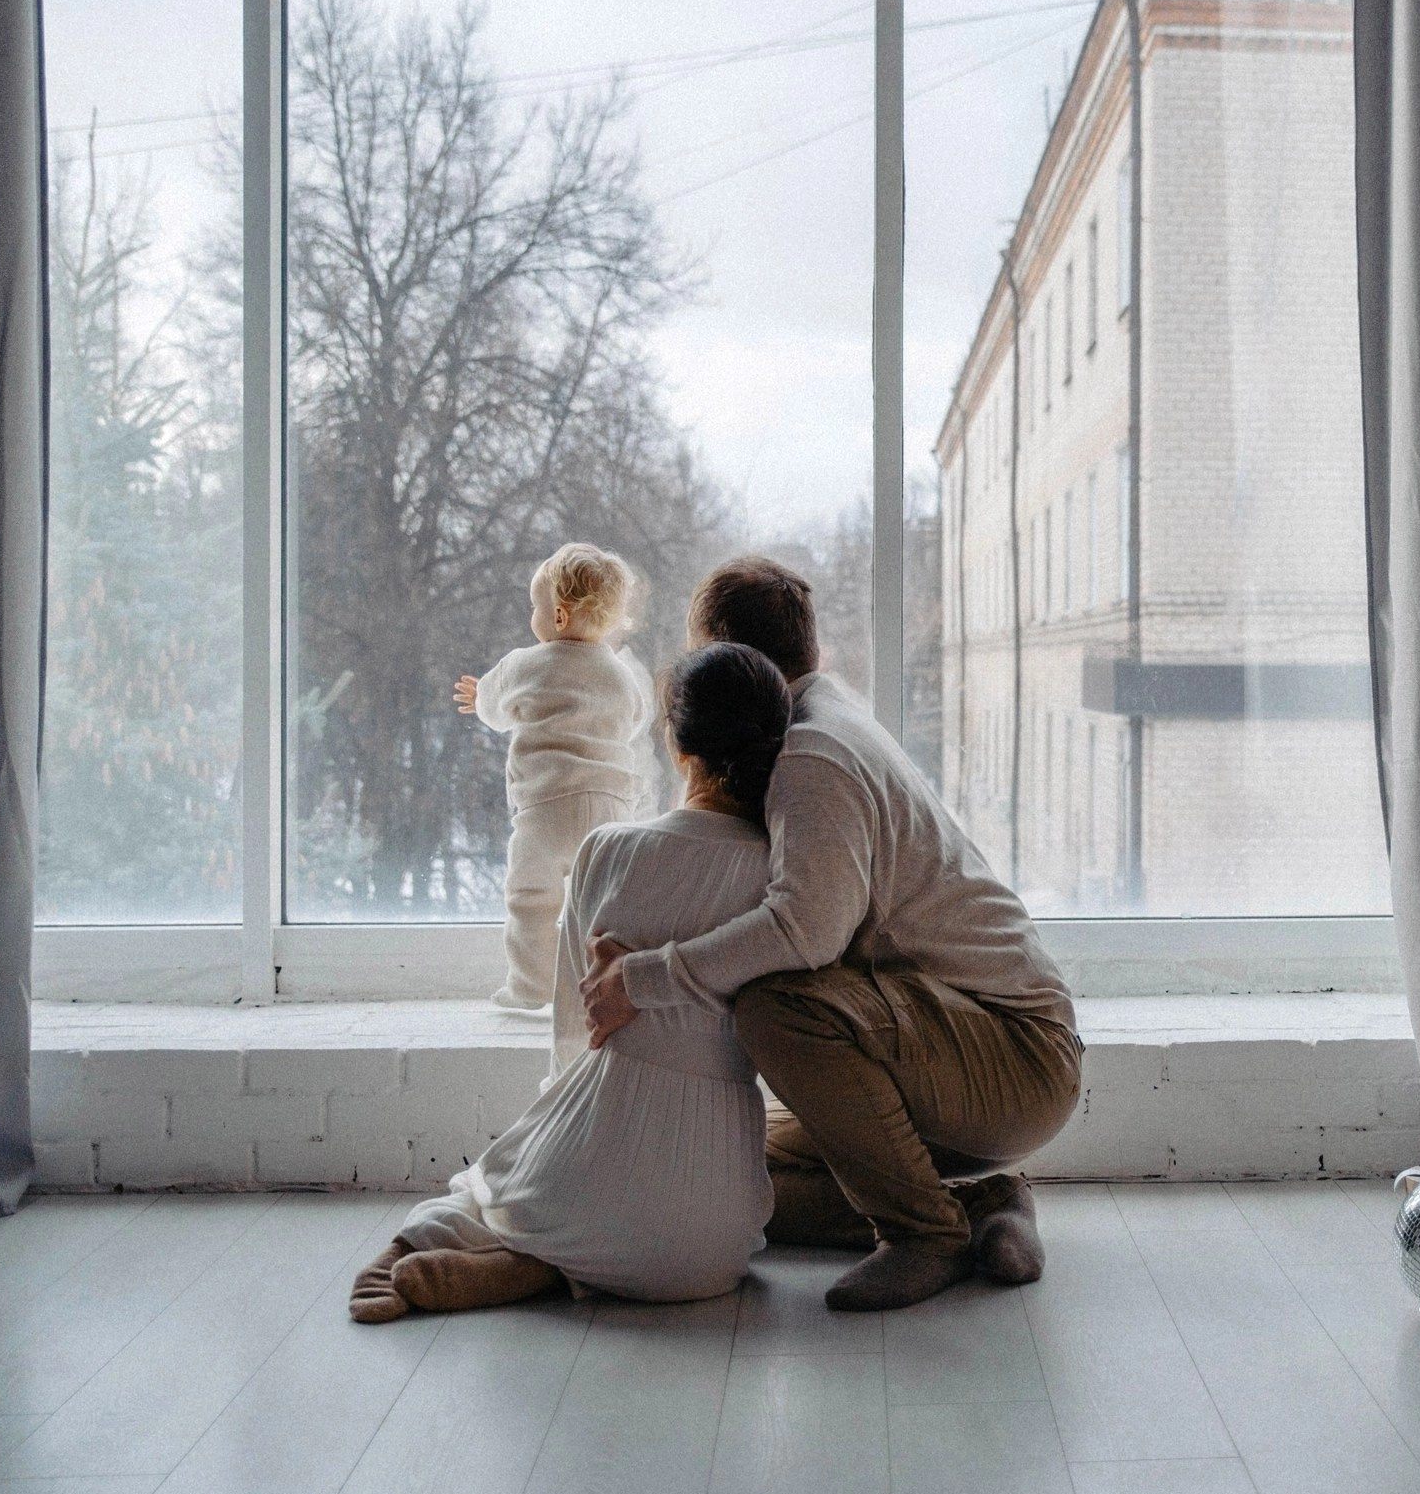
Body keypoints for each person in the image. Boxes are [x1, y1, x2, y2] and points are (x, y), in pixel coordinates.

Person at [582, 557, 1082, 1312]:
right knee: (735, 1181)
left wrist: (640, 976)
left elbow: (805, 932)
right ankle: (982, 1208)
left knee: (778, 1009)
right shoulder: (821, 715)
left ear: (734, 658)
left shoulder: (814, 754)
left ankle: (923, 1235)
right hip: (959, 1037)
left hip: (1015, 1051)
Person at [350, 641, 792, 1322]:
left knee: (489, 1180)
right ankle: (551, 1266)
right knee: (624, 1212)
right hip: (714, 1247)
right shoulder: (786, 884)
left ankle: (451, 1244)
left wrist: (552, 1128)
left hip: (586, 1180)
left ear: (678, 745)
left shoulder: (611, 850)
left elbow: (572, 1031)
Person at [456, 541, 653, 1010]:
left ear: (559, 616)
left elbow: (493, 707)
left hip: (545, 807)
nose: (532, 616)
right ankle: (599, 989)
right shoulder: (622, 675)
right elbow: (636, 721)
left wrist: (478, 696)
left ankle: (529, 987)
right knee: (603, 910)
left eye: (534, 607)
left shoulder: (525, 665)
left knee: (530, 899)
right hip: (610, 810)